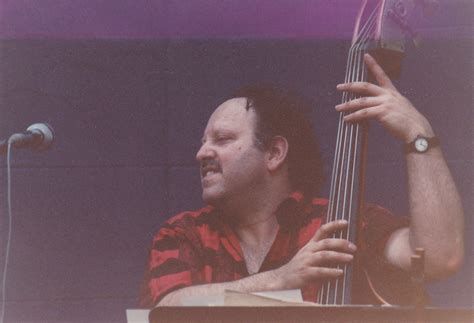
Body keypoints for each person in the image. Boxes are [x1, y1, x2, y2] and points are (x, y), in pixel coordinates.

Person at [139, 54, 464, 307]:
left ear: (274, 153)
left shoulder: (342, 223)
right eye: (203, 141)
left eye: (221, 139)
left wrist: (418, 134)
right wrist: (281, 279)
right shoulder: (184, 235)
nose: (201, 153)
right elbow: (165, 310)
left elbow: (439, 257)